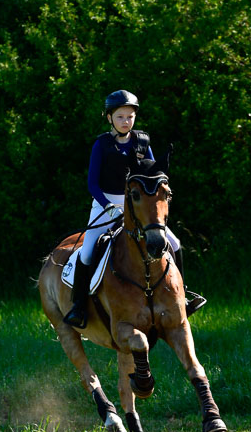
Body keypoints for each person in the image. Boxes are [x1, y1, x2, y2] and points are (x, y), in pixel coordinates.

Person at [63, 89, 205, 328]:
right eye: (120, 117)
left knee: (176, 243)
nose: (126, 121)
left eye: (130, 116)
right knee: (87, 252)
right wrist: (109, 207)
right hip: (105, 203)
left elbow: (153, 174)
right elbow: (92, 184)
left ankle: (184, 296)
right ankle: (79, 306)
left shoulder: (142, 141)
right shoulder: (102, 144)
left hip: (138, 205)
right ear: (109, 118)